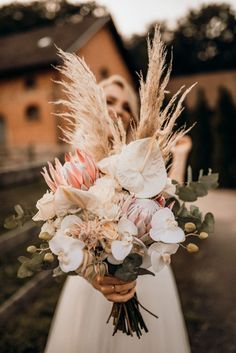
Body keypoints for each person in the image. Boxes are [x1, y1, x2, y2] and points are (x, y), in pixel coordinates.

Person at [44, 75, 191, 353]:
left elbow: (170, 201)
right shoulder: (80, 164)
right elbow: (65, 227)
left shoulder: (144, 159)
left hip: (144, 273)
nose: (119, 109)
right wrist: (94, 275)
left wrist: (180, 156)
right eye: (110, 101)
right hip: (97, 278)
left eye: (126, 105)